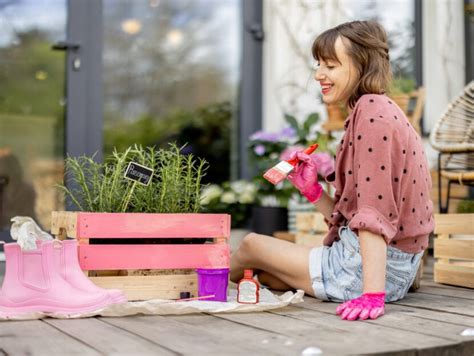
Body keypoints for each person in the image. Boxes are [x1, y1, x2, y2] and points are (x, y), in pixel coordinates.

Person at [230, 21, 434, 321]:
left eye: (331, 65)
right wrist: (312, 190)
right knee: (268, 275)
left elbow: (372, 215)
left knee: (251, 245)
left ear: (362, 64)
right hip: (388, 267)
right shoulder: (379, 109)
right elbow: (356, 217)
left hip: (365, 271)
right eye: (319, 64)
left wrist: (372, 294)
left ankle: (193, 284)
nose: (319, 75)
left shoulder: (372, 116)